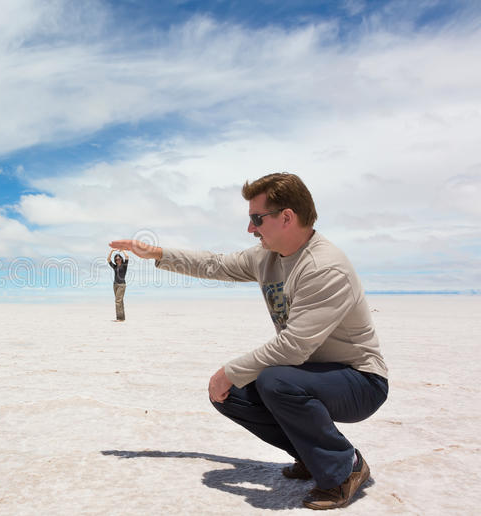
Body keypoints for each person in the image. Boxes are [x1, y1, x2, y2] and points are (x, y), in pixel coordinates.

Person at [109, 172, 388, 510]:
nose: (251, 229)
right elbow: (215, 264)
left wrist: (229, 370)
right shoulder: (266, 257)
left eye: (257, 219)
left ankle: (345, 467)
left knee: (273, 380)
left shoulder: (324, 267)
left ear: (287, 217)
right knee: (231, 396)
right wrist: (157, 254)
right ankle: (311, 456)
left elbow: (293, 347)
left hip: (359, 380)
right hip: (309, 373)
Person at [107, 248, 129, 321]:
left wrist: (122, 250)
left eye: (119, 259)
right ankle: (122, 318)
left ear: (121, 259)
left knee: (117, 301)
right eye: (116, 259)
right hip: (115, 285)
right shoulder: (115, 267)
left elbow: (127, 257)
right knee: (120, 301)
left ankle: (119, 318)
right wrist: (112, 251)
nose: (118, 260)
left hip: (121, 285)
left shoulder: (124, 265)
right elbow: (108, 259)